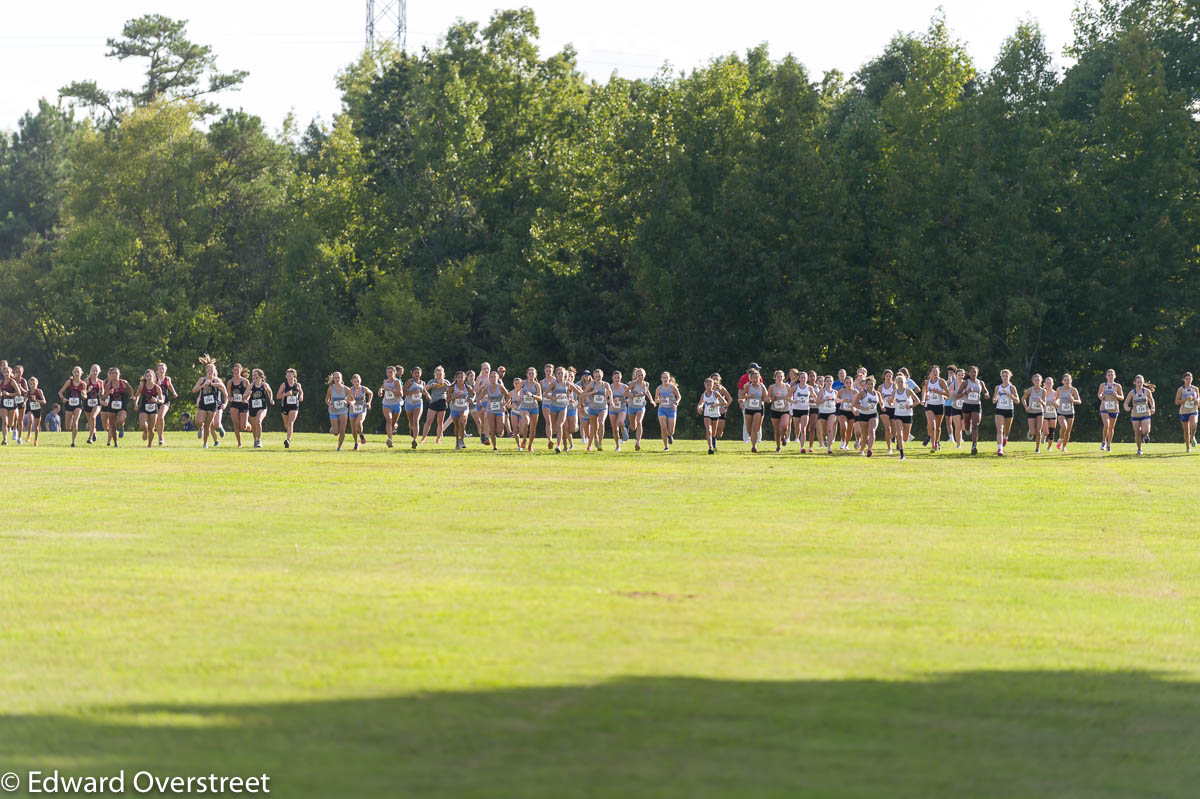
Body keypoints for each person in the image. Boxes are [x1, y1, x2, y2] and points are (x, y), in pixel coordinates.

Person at [193, 355, 228, 448]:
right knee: (198, 421)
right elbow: (194, 390)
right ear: (206, 371)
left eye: (212, 371)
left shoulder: (216, 380)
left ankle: (205, 443)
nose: (210, 372)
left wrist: (212, 384)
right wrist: (202, 386)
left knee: (208, 425)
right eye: (209, 370)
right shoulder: (202, 379)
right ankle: (200, 428)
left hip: (213, 405)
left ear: (214, 372)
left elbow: (221, 386)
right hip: (203, 404)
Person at [954, 365, 989, 456]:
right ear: (968, 373)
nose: (973, 373)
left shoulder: (980, 383)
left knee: (975, 425)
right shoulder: (966, 382)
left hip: (976, 405)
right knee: (966, 425)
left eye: (975, 372)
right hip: (966, 405)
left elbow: (986, 391)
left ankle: (974, 445)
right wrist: (966, 392)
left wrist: (986, 395)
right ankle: (967, 428)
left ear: (977, 373)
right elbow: (957, 395)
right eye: (972, 372)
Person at [101, 367, 133, 447]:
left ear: (119, 374)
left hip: (122, 406)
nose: (114, 375)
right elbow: (103, 397)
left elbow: (130, 388)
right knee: (112, 426)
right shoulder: (108, 385)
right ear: (110, 375)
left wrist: (132, 396)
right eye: (113, 373)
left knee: (120, 420)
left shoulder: (123, 382)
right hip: (111, 407)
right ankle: (115, 443)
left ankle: (121, 427)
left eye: (116, 373)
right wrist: (108, 392)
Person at [481, 368, 511, 452]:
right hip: (490, 410)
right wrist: (482, 406)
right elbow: (480, 398)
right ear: (489, 378)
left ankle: (501, 432)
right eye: (491, 377)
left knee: (500, 431)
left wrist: (504, 405)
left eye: (495, 377)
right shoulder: (487, 388)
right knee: (492, 428)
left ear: (497, 378)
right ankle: (495, 447)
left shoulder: (500, 387)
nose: (493, 378)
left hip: (500, 410)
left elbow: (508, 396)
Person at [1124, 375, 1155, 455]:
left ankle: (1145, 435)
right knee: (1137, 432)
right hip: (1135, 415)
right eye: (1138, 382)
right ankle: (1139, 449)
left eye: (1141, 382)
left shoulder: (1147, 391)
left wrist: (1153, 408)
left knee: (1145, 430)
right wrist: (1127, 408)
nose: (1139, 384)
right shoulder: (1132, 392)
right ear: (1135, 383)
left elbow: (1152, 401)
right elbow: (1125, 404)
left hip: (1145, 413)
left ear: (1143, 382)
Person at [420, 366, 450, 446]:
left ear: (443, 374)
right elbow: (424, 391)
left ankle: (438, 439)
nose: (439, 376)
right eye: (437, 374)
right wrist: (431, 386)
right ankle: (423, 438)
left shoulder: (446, 381)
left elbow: (451, 390)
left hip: (442, 402)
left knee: (440, 422)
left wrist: (447, 386)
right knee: (428, 421)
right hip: (433, 402)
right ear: (435, 374)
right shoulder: (432, 381)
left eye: (440, 374)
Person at [697, 376, 727, 454]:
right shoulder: (703, 394)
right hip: (707, 414)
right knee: (708, 430)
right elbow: (701, 403)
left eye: (710, 385)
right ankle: (710, 448)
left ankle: (713, 445)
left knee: (713, 434)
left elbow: (724, 402)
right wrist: (699, 407)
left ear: (713, 385)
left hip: (715, 415)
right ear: (705, 385)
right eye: (707, 385)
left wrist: (716, 405)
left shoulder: (715, 393)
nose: (709, 387)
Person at [133, 369, 163, 448]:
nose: (149, 377)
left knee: (152, 428)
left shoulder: (157, 387)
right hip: (144, 408)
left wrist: (156, 400)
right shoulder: (142, 386)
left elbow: (162, 400)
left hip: (153, 409)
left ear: (153, 377)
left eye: (150, 376)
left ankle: (149, 444)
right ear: (145, 377)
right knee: (143, 424)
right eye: (147, 376)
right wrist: (135, 404)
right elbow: (137, 396)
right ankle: (145, 432)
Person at [739, 368, 767, 453]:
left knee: (755, 428)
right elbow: (741, 396)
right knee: (749, 430)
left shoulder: (762, 386)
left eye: (757, 378)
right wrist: (747, 396)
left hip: (758, 409)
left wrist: (768, 399)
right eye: (753, 378)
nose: (755, 380)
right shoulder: (748, 386)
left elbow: (766, 397)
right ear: (750, 379)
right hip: (749, 409)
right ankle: (752, 438)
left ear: (759, 378)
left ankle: (754, 446)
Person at [246, 369, 275, 448]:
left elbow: (270, 391)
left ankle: (259, 440)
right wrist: (248, 394)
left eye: (255, 375)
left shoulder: (264, 385)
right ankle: (255, 440)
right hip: (252, 408)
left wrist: (271, 399)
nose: (253, 377)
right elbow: (244, 396)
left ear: (260, 376)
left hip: (262, 407)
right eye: (253, 375)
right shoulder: (251, 385)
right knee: (254, 426)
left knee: (258, 422)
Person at [892, 376, 920, 460]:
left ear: (904, 383)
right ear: (896, 383)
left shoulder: (908, 391)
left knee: (905, 437)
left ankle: (901, 441)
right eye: (898, 382)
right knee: (899, 434)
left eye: (902, 382)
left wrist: (910, 406)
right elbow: (891, 402)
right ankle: (902, 454)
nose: (900, 384)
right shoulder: (894, 392)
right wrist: (892, 402)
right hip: (898, 415)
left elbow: (917, 401)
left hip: (908, 415)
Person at [853, 375, 882, 456]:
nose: (870, 385)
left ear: (874, 384)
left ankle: (869, 449)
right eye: (868, 384)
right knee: (864, 434)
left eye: (871, 384)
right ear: (865, 385)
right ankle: (862, 450)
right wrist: (863, 408)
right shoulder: (862, 393)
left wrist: (883, 407)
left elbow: (881, 403)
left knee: (872, 431)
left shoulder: (877, 393)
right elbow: (855, 404)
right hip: (863, 415)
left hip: (873, 414)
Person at [58, 366, 87, 446]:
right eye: (75, 372)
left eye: (78, 372)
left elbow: (85, 397)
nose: (77, 373)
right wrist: (63, 398)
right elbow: (60, 392)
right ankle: (70, 423)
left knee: (75, 422)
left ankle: (73, 442)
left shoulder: (83, 384)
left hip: (78, 405)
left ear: (81, 373)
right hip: (69, 404)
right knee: (68, 427)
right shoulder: (69, 382)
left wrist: (83, 395)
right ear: (73, 373)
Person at [993, 370, 1019, 456]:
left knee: (1007, 430)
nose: (1005, 377)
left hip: (1009, 410)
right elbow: (994, 399)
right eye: (1003, 376)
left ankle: (1006, 437)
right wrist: (995, 400)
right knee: (999, 429)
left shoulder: (1012, 387)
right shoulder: (997, 387)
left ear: (1009, 377)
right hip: (999, 410)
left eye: (1006, 376)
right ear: (1001, 377)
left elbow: (1017, 401)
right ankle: (1000, 449)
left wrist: (1008, 394)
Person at [1097, 369, 1124, 453]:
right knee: (1106, 424)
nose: (1110, 376)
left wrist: (1117, 396)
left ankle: (1109, 445)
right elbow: (1099, 394)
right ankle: (1103, 442)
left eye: (1112, 375)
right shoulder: (1102, 385)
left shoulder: (1118, 386)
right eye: (1109, 375)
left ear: (1115, 376)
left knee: (1111, 427)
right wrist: (1100, 396)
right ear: (1106, 376)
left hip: (1114, 409)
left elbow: (1122, 397)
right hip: (1104, 408)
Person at [448, 371, 475, 450]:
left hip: (464, 408)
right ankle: (457, 442)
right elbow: (447, 399)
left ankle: (462, 440)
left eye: (462, 377)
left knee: (462, 422)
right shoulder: (452, 387)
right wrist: (456, 396)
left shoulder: (467, 387)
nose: (460, 379)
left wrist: (472, 399)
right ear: (456, 378)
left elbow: (474, 393)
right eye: (459, 377)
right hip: (455, 409)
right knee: (457, 426)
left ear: (464, 378)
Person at [276, 368, 303, 448]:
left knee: (291, 422)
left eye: (290, 375)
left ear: (294, 376)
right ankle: (289, 433)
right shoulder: (284, 385)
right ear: (286, 376)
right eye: (287, 375)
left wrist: (301, 397)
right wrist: (286, 394)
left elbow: (301, 392)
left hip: (294, 406)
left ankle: (288, 440)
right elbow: (277, 396)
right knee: (286, 424)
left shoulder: (297, 385)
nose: (289, 376)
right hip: (285, 406)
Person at [403, 366, 429, 449]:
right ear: (412, 374)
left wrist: (427, 395)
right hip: (409, 403)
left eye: (418, 372)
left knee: (416, 421)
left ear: (421, 373)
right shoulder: (410, 382)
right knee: (411, 422)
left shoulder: (423, 383)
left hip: (418, 403)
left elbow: (424, 391)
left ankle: (415, 440)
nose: (417, 374)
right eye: (415, 373)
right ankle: (411, 429)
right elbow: (403, 392)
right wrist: (413, 392)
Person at [1055, 373, 1082, 452]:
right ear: (1062, 381)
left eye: (1068, 380)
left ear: (1071, 381)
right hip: (1061, 412)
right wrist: (1056, 403)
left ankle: (1064, 447)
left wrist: (1073, 400)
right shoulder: (1059, 389)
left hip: (1070, 413)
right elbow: (1057, 399)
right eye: (1065, 380)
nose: (1067, 381)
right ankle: (1060, 438)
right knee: (1064, 427)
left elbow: (1079, 401)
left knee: (1068, 431)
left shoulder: (1073, 390)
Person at [626, 367, 651, 451]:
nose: (640, 377)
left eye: (642, 375)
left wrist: (651, 400)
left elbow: (647, 392)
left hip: (641, 406)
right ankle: (634, 432)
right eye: (639, 375)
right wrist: (634, 395)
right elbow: (625, 392)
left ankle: (638, 442)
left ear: (644, 375)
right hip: (632, 406)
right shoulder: (633, 383)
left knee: (639, 422)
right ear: (636, 376)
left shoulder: (646, 384)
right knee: (633, 427)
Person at [655, 371, 681, 451]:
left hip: (671, 410)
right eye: (663, 378)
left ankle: (670, 436)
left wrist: (676, 403)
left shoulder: (672, 387)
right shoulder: (659, 388)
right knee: (663, 427)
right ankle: (666, 446)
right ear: (661, 379)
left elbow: (679, 397)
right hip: (662, 409)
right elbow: (656, 400)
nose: (665, 379)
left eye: (666, 377)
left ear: (669, 378)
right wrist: (660, 400)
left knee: (671, 431)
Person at [345, 373, 371, 451]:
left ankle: (361, 435)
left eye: (358, 381)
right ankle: (356, 443)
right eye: (355, 381)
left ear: (360, 381)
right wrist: (350, 402)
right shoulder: (350, 390)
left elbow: (371, 393)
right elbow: (348, 399)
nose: (357, 383)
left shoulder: (364, 389)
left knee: (358, 423)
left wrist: (369, 402)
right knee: (353, 430)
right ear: (352, 382)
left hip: (362, 409)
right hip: (353, 410)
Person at [767, 370, 792, 453]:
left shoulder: (787, 386)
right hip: (775, 410)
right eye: (778, 376)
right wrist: (774, 397)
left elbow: (791, 396)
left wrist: (789, 399)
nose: (780, 378)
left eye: (781, 376)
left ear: (784, 377)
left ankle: (783, 436)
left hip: (785, 409)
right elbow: (768, 399)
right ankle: (778, 446)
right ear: (775, 377)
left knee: (785, 426)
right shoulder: (771, 387)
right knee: (777, 430)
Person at [738, 362, 763, 445]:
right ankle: (746, 438)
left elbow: (761, 389)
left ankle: (758, 439)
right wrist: (741, 401)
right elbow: (740, 390)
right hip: (747, 402)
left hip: (758, 403)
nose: (758, 370)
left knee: (758, 421)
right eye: (757, 369)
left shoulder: (759, 377)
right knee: (746, 422)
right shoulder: (743, 378)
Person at [326, 372, 351, 451]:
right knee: (336, 432)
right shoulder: (331, 388)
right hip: (333, 411)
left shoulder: (346, 389)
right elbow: (327, 399)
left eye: (338, 378)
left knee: (342, 430)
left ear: (341, 379)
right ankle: (333, 429)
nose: (337, 379)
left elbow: (352, 399)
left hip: (343, 411)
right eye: (335, 378)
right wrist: (330, 404)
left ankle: (339, 447)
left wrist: (347, 401)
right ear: (333, 379)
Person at [155, 362, 178, 446]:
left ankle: (161, 437)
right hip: (155, 401)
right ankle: (159, 437)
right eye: (160, 369)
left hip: (165, 401)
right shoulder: (154, 379)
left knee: (161, 416)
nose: (161, 370)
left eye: (163, 369)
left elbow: (170, 386)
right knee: (157, 420)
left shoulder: (167, 379)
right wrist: (156, 385)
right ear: (156, 371)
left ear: (166, 370)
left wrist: (174, 392)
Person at [789, 370, 813, 453]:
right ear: (799, 378)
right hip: (796, 409)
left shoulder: (809, 388)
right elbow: (787, 397)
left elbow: (816, 397)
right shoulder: (795, 387)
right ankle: (797, 436)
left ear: (807, 379)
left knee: (803, 429)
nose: (803, 379)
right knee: (797, 429)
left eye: (805, 378)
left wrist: (815, 400)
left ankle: (802, 447)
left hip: (805, 410)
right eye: (802, 377)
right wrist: (792, 402)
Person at [1021, 374, 1046, 453]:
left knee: (1038, 431)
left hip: (1040, 412)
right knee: (1033, 432)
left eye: (1038, 380)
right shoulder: (1030, 390)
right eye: (1035, 380)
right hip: (1031, 412)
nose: (1037, 381)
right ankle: (1031, 431)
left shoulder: (1043, 391)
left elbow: (1045, 404)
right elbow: (1023, 398)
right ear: (1033, 381)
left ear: (1041, 381)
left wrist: (1041, 401)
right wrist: (1026, 407)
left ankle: (1037, 448)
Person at [1176, 372, 1198, 452]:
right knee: (1186, 431)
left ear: (1192, 379)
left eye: (1190, 379)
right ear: (1183, 380)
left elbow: (1198, 399)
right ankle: (1188, 447)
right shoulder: (1181, 389)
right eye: (1187, 379)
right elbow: (1176, 402)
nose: (1188, 380)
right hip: (1183, 412)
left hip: (1193, 410)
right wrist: (1185, 399)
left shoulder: (1195, 389)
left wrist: (1196, 400)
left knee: (1194, 425)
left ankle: (1192, 437)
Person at [607, 369, 627, 452]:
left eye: (618, 377)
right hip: (612, 409)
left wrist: (626, 400)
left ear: (621, 378)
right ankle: (618, 446)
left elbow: (630, 397)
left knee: (620, 422)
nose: (617, 379)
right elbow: (605, 400)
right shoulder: (610, 387)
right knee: (615, 429)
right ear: (612, 378)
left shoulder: (624, 387)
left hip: (622, 408)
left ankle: (624, 430)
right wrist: (611, 401)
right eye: (615, 377)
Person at [23, 376, 46, 446]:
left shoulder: (39, 391)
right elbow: (26, 398)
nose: (32, 385)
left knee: (36, 426)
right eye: (31, 384)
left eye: (34, 384)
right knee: (30, 420)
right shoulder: (28, 392)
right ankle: (29, 434)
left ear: (37, 384)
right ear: (29, 385)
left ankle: (36, 439)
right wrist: (24, 402)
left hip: (37, 409)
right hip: (30, 408)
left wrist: (36, 400)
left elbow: (44, 402)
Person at [85, 364, 103, 444]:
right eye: (93, 370)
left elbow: (102, 393)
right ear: (90, 371)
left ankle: (90, 437)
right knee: (90, 421)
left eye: (96, 370)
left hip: (97, 403)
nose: (95, 372)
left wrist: (104, 394)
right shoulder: (86, 381)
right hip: (87, 403)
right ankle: (94, 431)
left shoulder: (100, 382)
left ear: (99, 371)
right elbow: (82, 393)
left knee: (93, 417)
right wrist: (87, 391)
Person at [1040, 376, 1058, 450]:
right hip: (1044, 414)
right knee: (1046, 432)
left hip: (1053, 414)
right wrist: (1041, 402)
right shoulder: (1042, 392)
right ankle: (1043, 435)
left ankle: (1049, 447)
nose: (1049, 384)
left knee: (1051, 432)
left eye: (1050, 383)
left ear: (1052, 384)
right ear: (1045, 384)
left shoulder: (1055, 393)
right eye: (1047, 383)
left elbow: (1058, 406)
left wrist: (1056, 404)